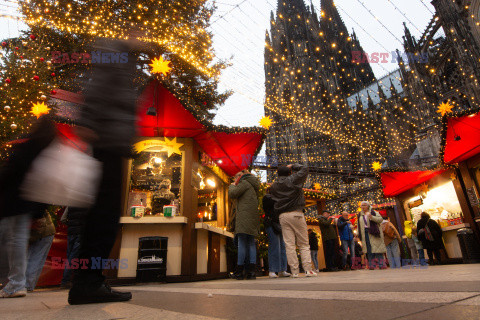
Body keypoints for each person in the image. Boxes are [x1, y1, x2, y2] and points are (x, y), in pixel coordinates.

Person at [68, 35, 142, 305]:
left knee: (103, 216)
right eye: (142, 31)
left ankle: (89, 281)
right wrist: (88, 120)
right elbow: (98, 87)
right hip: (107, 141)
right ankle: (87, 283)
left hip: (112, 141)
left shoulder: (123, 56)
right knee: (103, 217)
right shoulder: (115, 52)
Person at [0, 115, 56, 298]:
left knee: (11, 242)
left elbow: (10, 172)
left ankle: (15, 284)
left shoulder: (26, 147)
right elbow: (46, 185)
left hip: (12, 202)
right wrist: (38, 212)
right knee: (17, 242)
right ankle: (17, 284)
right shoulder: (47, 154)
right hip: (27, 205)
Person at [270, 164, 317, 278]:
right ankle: (307, 270)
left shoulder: (274, 186)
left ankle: (294, 271)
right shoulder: (293, 179)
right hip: (296, 213)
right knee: (303, 243)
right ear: (289, 172)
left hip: (283, 216)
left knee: (289, 244)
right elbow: (305, 168)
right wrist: (294, 166)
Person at [228, 170, 260, 280]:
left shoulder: (244, 183)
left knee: (241, 243)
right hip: (252, 218)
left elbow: (232, 194)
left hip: (244, 218)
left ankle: (239, 271)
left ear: (239, 177)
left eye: (235, 179)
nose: (235, 182)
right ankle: (251, 272)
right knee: (251, 243)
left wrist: (232, 186)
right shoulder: (252, 185)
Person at [263, 188, 290, 278]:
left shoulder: (277, 199)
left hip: (279, 223)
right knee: (275, 246)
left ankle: (282, 269)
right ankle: (273, 270)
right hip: (271, 223)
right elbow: (272, 205)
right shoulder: (267, 198)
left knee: (282, 247)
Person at [25, 211, 56, 292]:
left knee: (34, 260)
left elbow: (38, 227)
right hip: (46, 232)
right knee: (36, 261)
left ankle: (27, 286)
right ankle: (28, 286)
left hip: (43, 234)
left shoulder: (33, 210)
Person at [61, 207, 89, 288]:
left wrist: (71, 225)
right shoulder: (86, 205)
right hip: (80, 232)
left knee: (70, 256)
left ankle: (69, 280)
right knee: (74, 257)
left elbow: (63, 219)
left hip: (71, 232)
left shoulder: (70, 204)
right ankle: (66, 281)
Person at [357, 201, 386, 269]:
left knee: (378, 249)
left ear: (368, 206)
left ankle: (381, 264)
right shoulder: (360, 215)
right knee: (368, 249)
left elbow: (380, 220)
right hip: (365, 233)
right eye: (362, 206)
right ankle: (371, 265)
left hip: (374, 232)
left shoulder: (374, 212)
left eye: (364, 205)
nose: (363, 207)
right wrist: (358, 233)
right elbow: (359, 225)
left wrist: (372, 217)